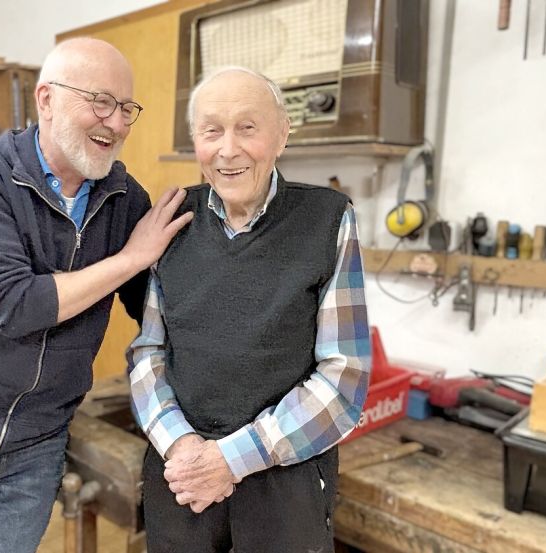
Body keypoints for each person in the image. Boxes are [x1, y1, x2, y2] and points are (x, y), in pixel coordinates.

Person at [0, 37, 192, 553]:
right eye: (100, 101)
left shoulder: (125, 199)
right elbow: (14, 305)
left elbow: (157, 309)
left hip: (37, 442)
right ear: (46, 99)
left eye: (126, 108)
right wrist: (129, 259)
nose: (116, 123)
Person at [127, 66, 371, 553]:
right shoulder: (172, 220)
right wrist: (182, 446)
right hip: (182, 476)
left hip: (285, 480)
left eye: (247, 128)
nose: (228, 149)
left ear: (282, 135)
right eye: (211, 131)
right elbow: (147, 352)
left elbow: (343, 379)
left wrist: (231, 459)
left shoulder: (328, 219)